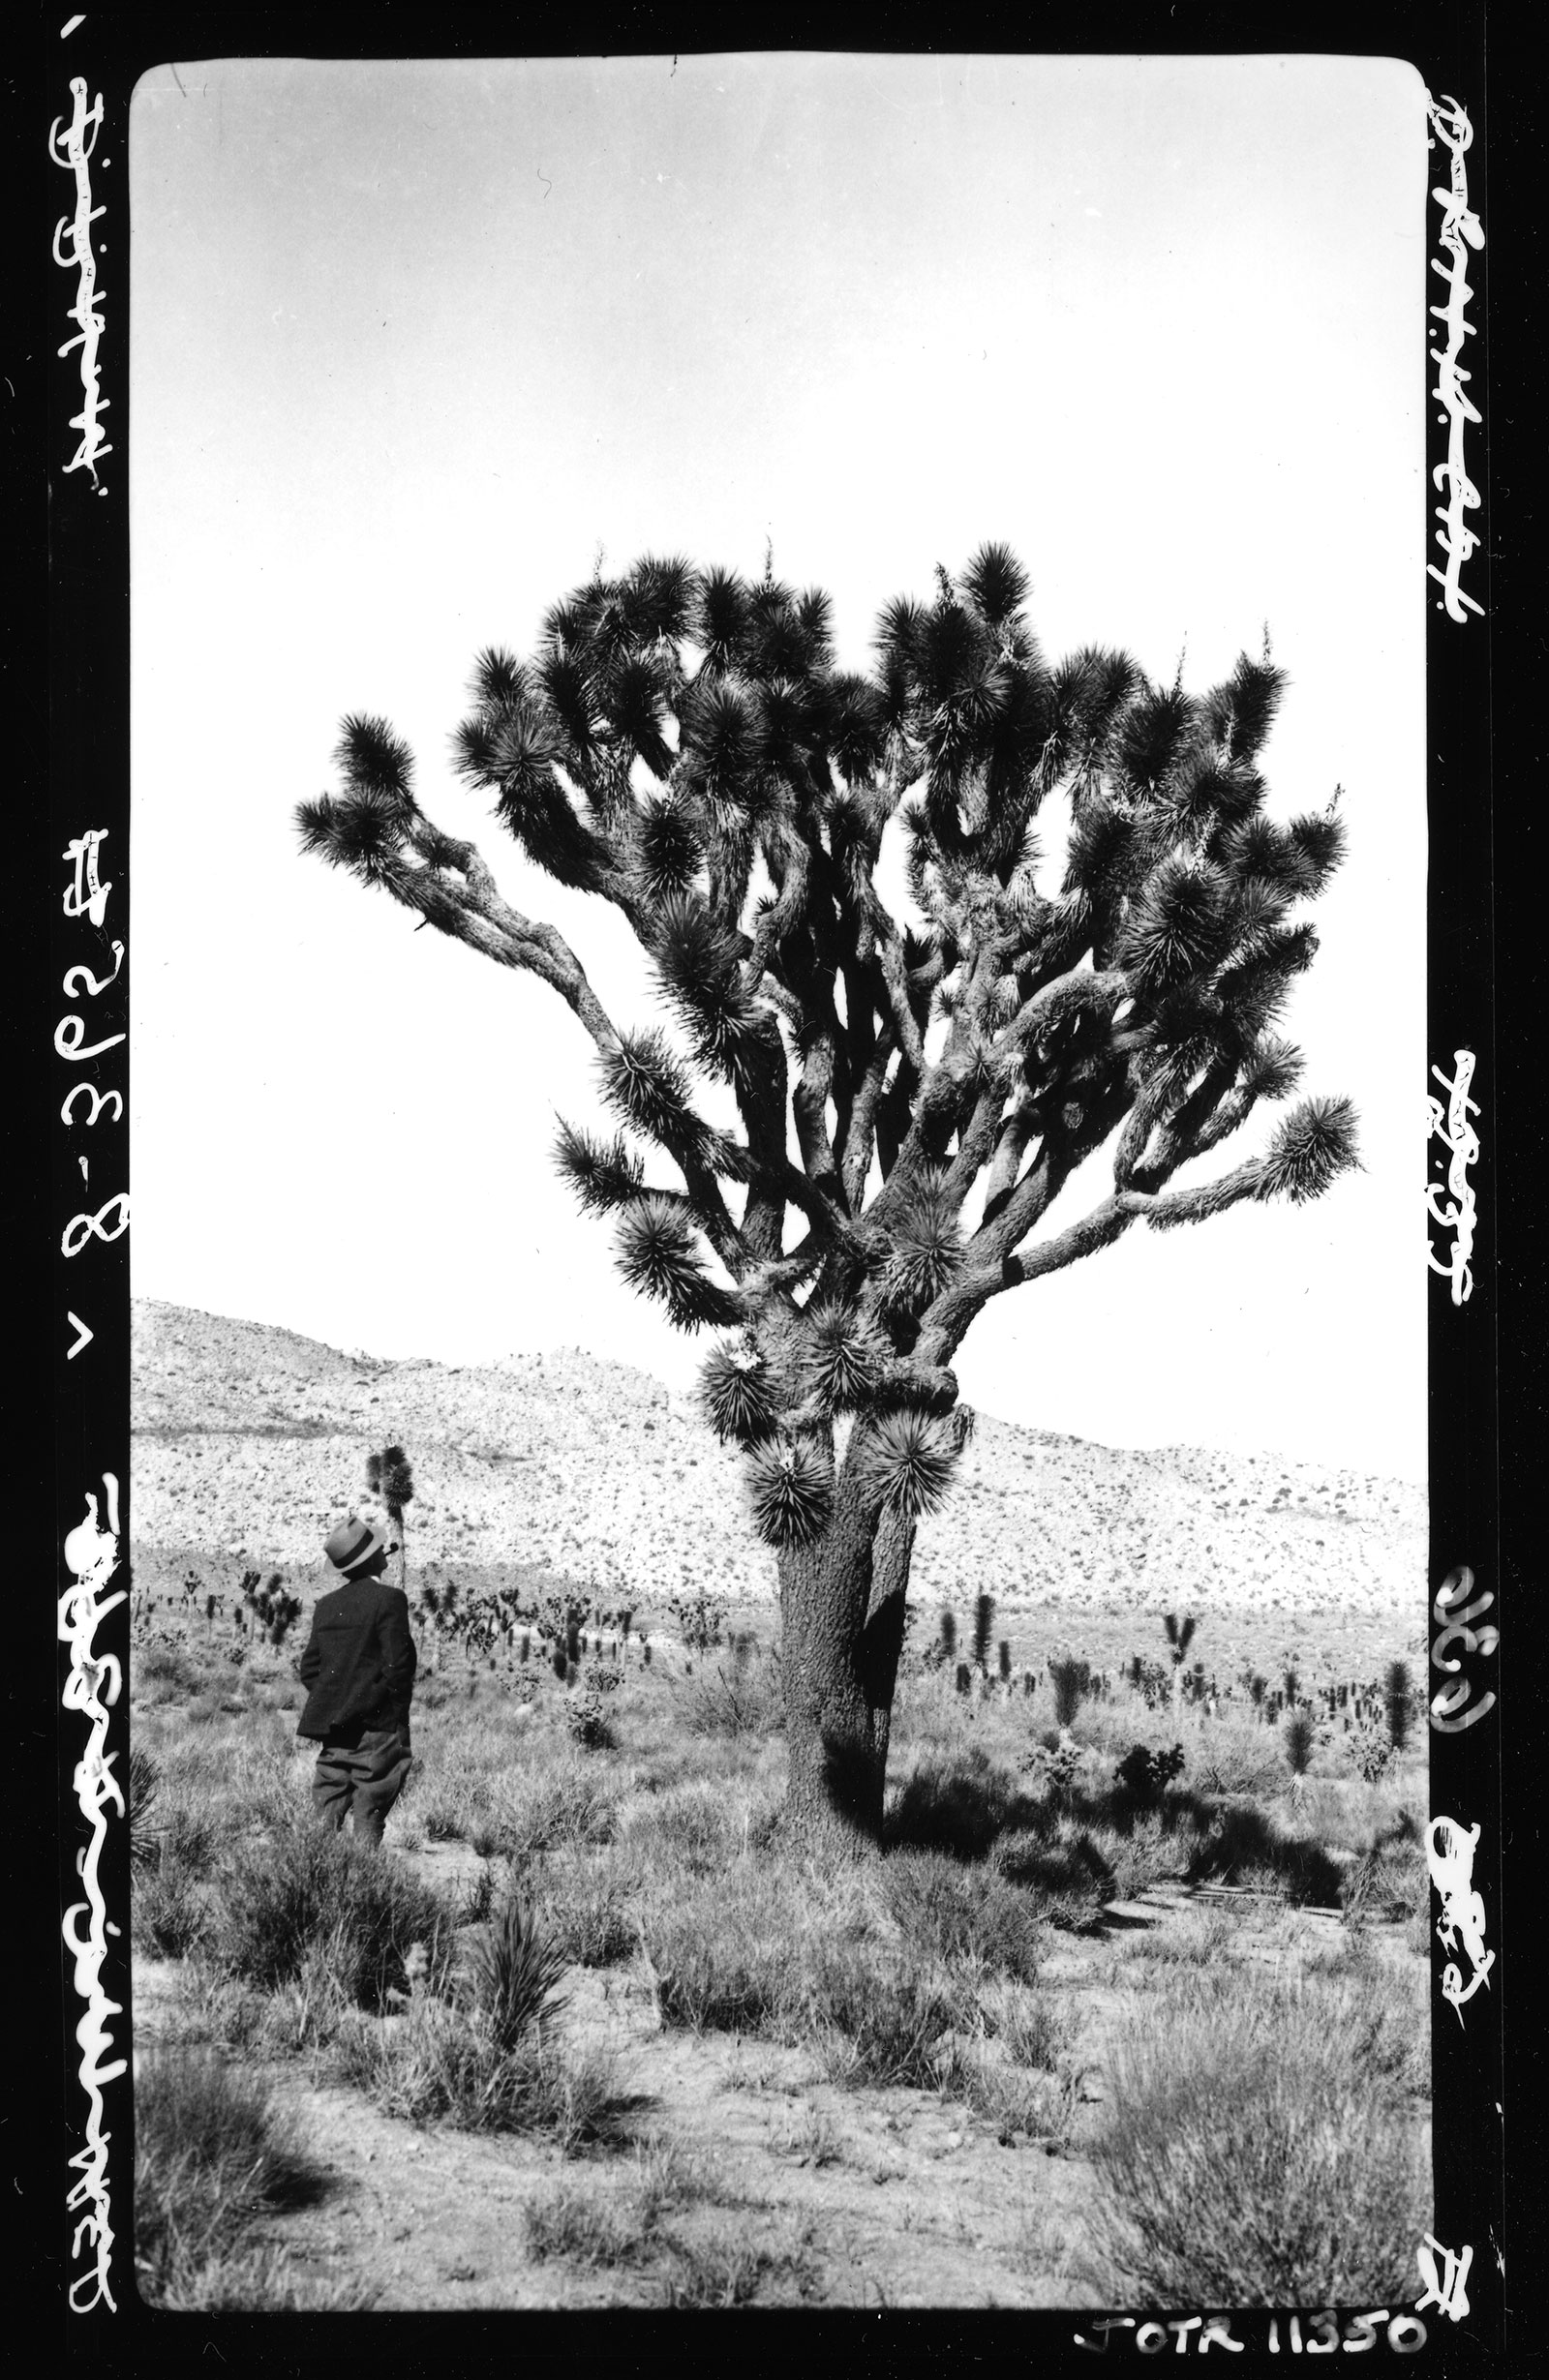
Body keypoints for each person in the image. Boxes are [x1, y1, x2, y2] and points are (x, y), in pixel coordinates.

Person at [295, 1516, 417, 1847]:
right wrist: (392, 1714)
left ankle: (311, 1880)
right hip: (378, 1730)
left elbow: (309, 1669)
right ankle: (365, 1883)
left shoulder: (327, 1605)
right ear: (375, 1558)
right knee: (369, 1816)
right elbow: (399, 1667)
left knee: (323, 1818)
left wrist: (340, 1701)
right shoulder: (390, 1599)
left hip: (335, 1731)